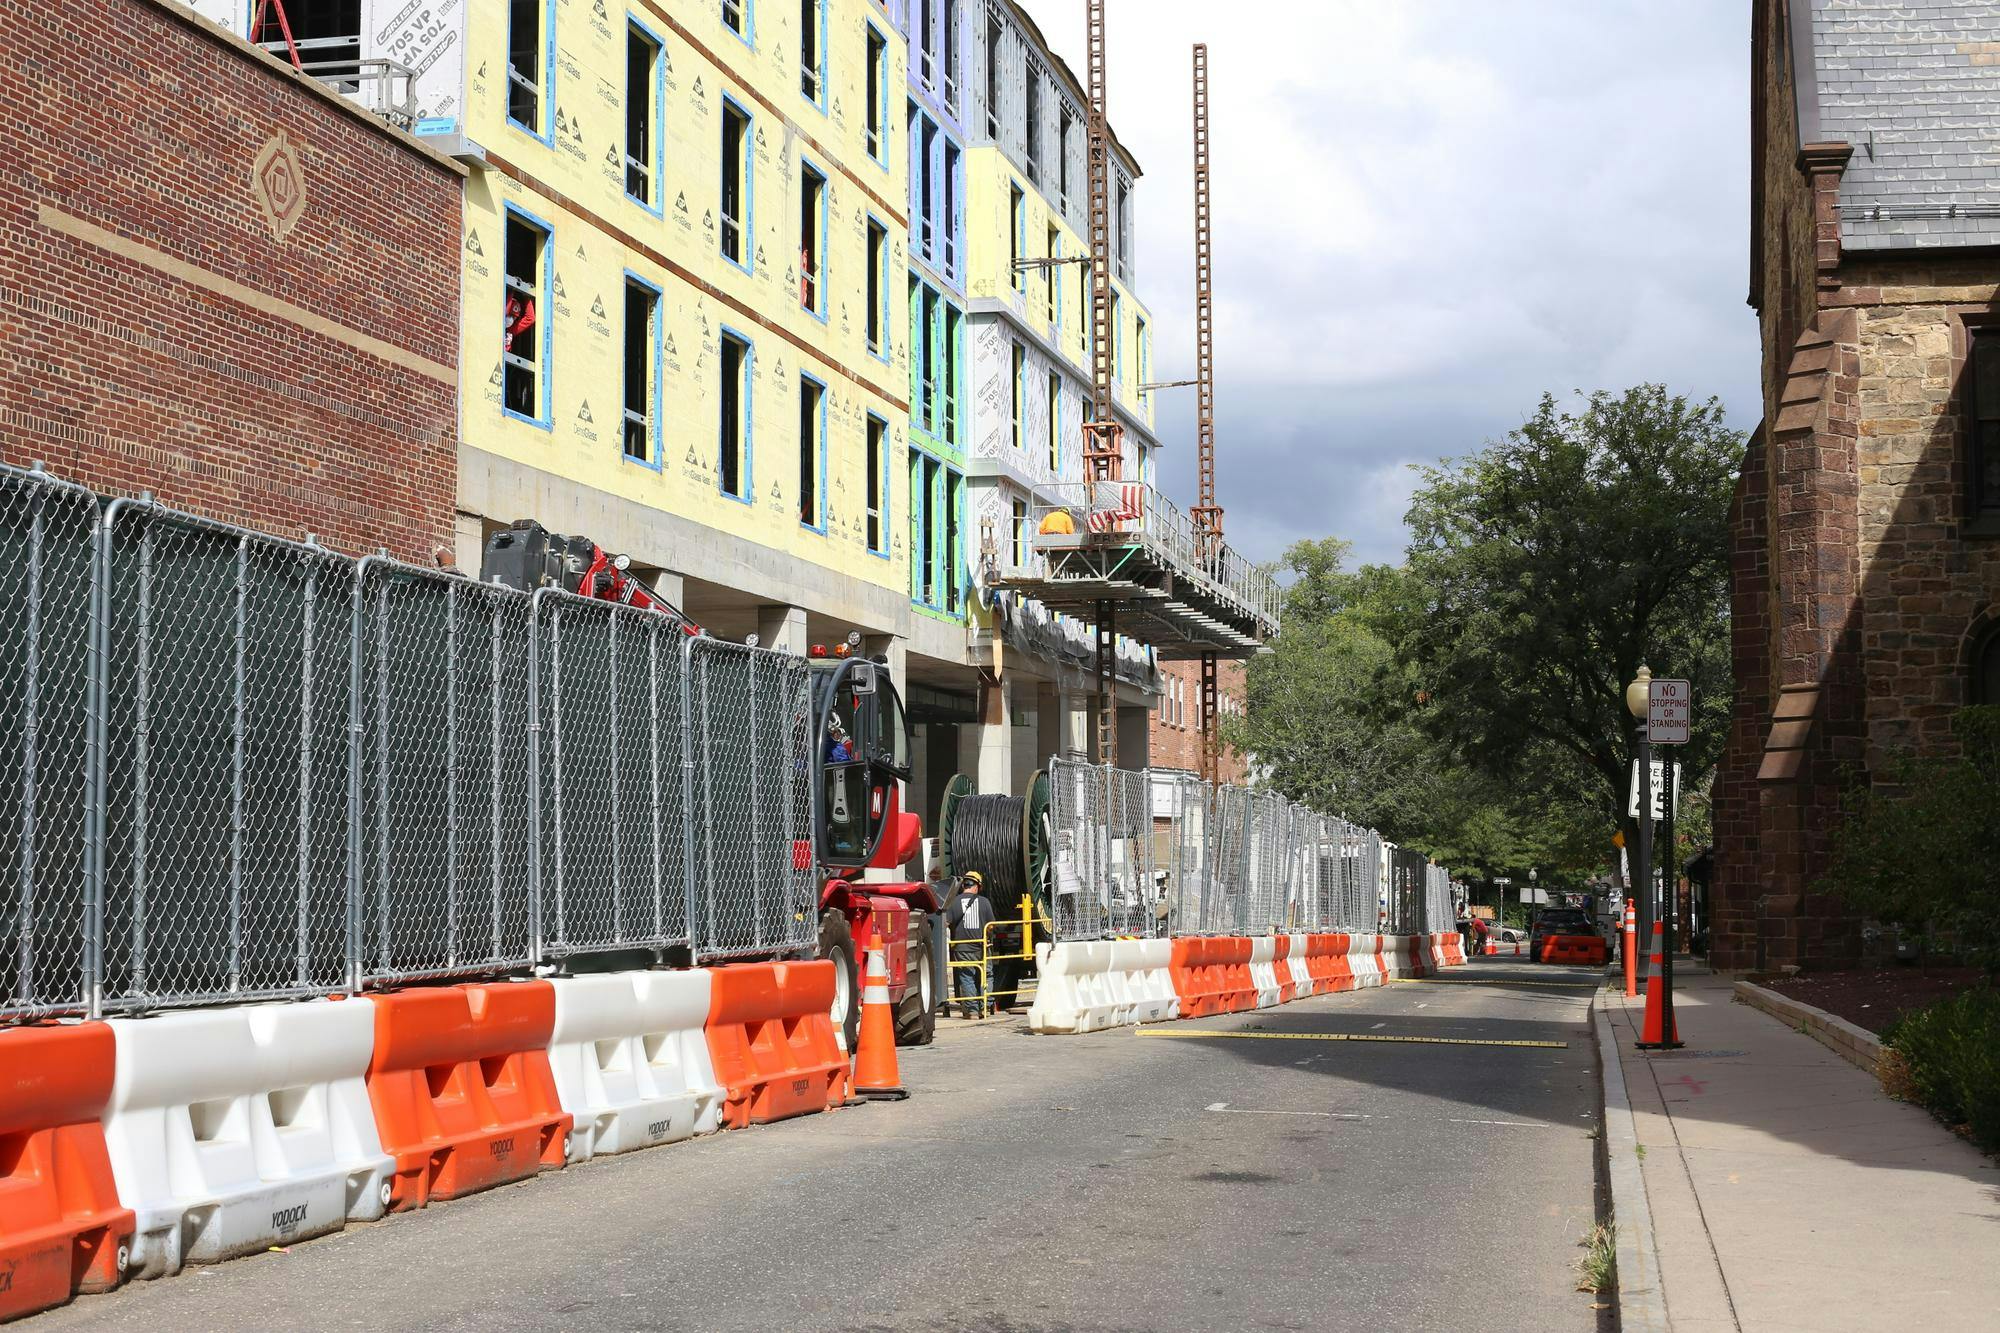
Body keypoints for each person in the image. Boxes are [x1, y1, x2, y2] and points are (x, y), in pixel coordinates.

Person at [949, 871, 995, 1019]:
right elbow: (991, 926)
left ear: (964, 885)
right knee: (986, 975)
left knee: (967, 977)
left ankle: (973, 1011)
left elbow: (946, 922)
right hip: (982, 946)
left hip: (962, 947)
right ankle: (985, 1008)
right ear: (977, 886)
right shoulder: (985, 902)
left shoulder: (954, 902)